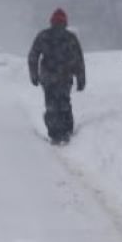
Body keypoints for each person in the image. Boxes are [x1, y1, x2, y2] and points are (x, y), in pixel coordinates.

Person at [27, 8, 86, 144]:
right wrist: (81, 79)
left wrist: (34, 75)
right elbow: (78, 60)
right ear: (65, 22)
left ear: (52, 22)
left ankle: (55, 134)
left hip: (48, 78)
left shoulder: (44, 36)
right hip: (65, 78)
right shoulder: (70, 38)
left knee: (51, 105)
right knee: (64, 103)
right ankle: (66, 132)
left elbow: (33, 56)